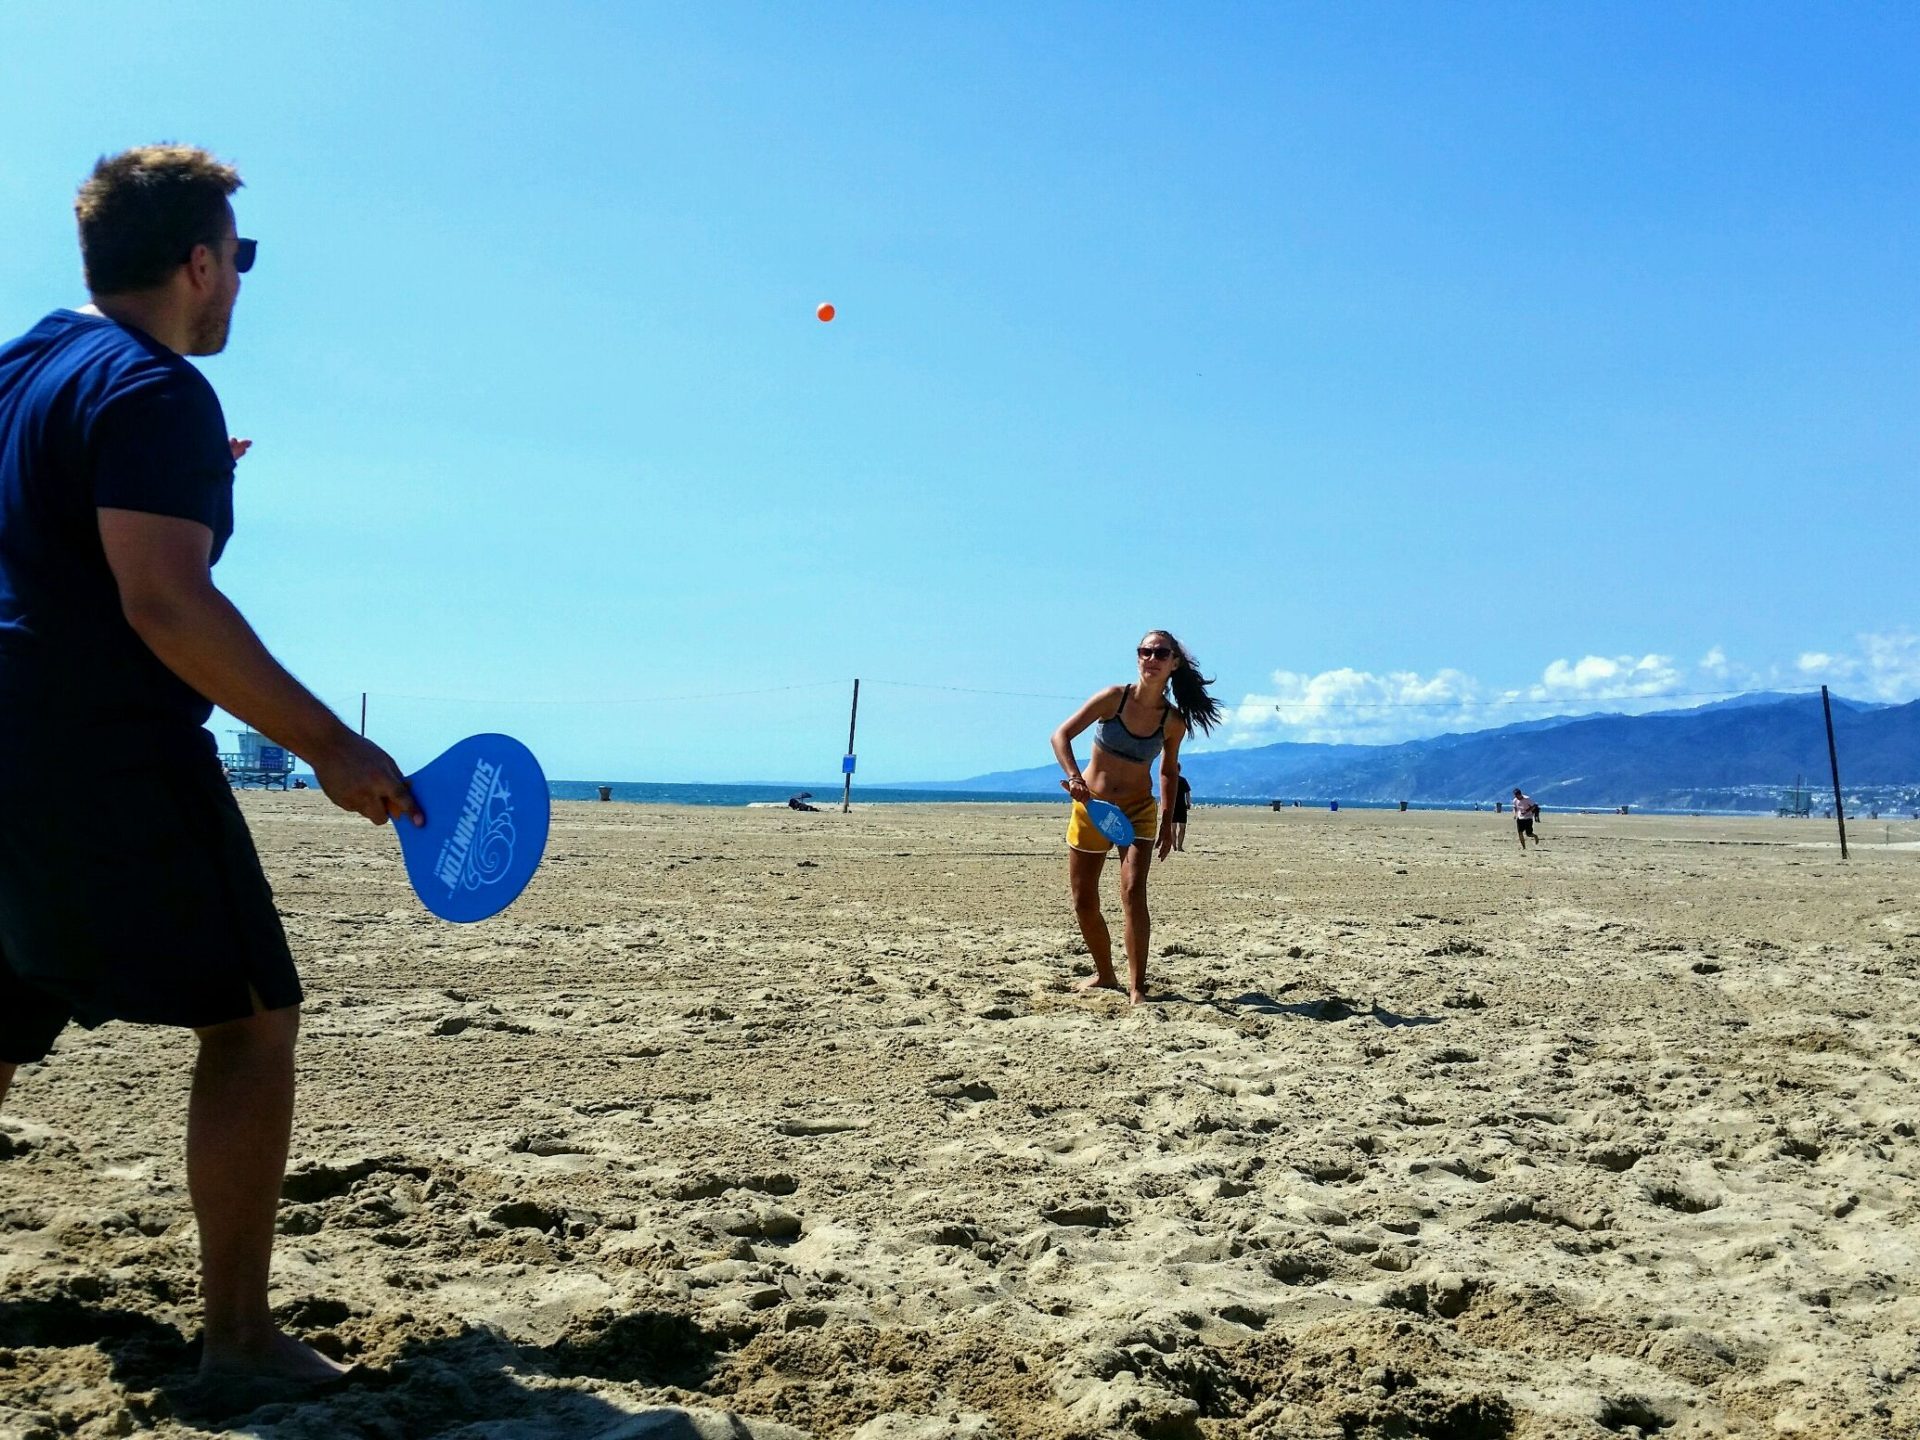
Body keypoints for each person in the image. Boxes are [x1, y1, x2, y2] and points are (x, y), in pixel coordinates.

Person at [0, 146, 419, 1385]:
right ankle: (237, 1339)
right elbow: (166, 607)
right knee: (249, 1022)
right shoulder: (155, 387)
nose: (238, 280)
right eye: (237, 258)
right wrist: (333, 748)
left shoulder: (24, 369)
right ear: (197, 263)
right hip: (100, 749)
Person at [1051, 631, 1222, 1004]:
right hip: (1091, 808)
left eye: (1161, 653)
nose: (1151, 658)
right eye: (1145, 651)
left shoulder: (1173, 722)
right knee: (1084, 901)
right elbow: (1060, 735)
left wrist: (1165, 820)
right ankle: (1105, 975)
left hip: (1138, 813)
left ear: (1174, 663)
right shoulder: (1114, 698)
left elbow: (1168, 771)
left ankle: (1136, 988)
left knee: (1132, 892)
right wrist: (1076, 778)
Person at [1170, 773, 1192, 852]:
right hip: (1181, 806)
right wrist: (1188, 803)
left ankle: (1174, 847)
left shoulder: (1170, 779)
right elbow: (1187, 793)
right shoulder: (1182, 780)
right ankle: (1179, 847)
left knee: (1173, 828)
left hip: (1172, 806)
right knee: (1182, 828)